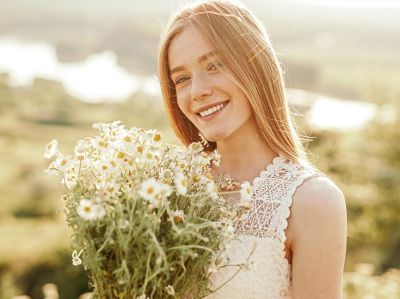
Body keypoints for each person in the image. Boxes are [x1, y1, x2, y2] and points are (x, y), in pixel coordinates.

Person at [157, 0, 347, 298]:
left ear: (255, 65)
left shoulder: (313, 202)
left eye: (214, 65)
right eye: (182, 78)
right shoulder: (164, 184)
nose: (198, 91)